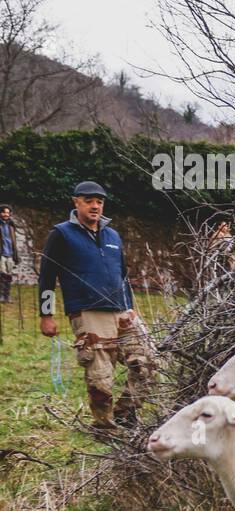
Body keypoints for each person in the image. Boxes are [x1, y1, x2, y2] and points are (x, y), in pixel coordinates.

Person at [37, 182, 156, 429]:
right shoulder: (61, 234)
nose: (95, 206)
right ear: (76, 202)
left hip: (123, 312)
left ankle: (126, 412)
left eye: (99, 202)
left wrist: (130, 307)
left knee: (149, 363)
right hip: (88, 312)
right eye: (89, 200)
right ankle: (104, 425)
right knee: (100, 379)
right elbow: (47, 276)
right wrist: (46, 314)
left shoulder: (113, 235)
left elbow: (122, 274)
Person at [0, 204, 17, 302]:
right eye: (4, 212)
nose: (6, 214)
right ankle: (1, 296)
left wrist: (16, 255)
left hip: (10, 254)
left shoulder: (11, 225)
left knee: (9, 276)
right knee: (2, 275)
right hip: (1, 254)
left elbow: (13, 241)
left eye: (8, 212)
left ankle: (7, 296)